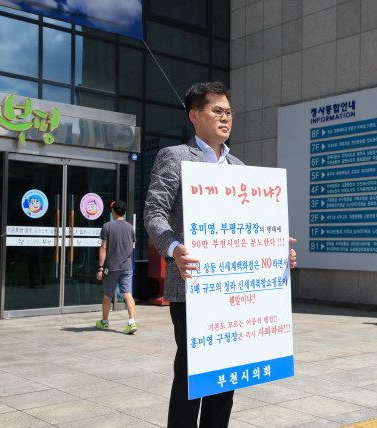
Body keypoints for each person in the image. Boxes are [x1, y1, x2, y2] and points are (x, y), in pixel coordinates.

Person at [144, 81, 297, 428]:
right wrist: (173, 249)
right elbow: (154, 211)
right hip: (193, 285)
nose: (226, 117)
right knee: (191, 375)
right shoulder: (175, 156)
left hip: (234, 289)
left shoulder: (238, 166)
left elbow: (249, 226)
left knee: (227, 374)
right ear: (194, 115)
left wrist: (276, 251)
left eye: (229, 112)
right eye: (217, 111)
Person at [95, 200, 137, 334]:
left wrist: (100, 268)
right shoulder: (130, 227)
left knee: (107, 295)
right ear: (124, 212)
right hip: (127, 266)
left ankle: (104, 322)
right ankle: (131, 322)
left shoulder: (107, 226)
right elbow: (131, 246)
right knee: (128, 294)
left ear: (113, 211)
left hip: (111, 267)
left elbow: (103, 248)